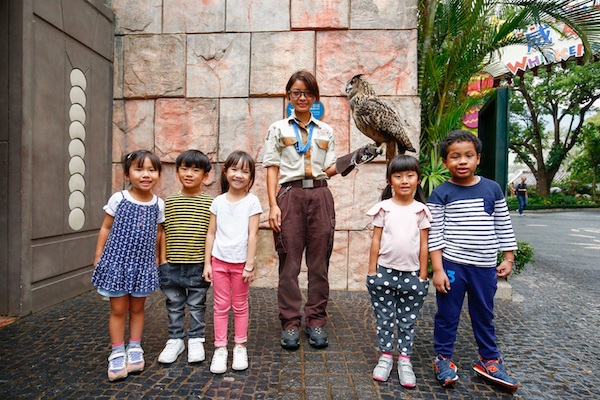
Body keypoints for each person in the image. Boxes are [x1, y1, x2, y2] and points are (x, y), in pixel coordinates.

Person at [263, 70, 377, 350]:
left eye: (307, 93)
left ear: (315, 97)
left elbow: (327, 169)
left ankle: (315, 320)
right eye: (295, 92)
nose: (301, 97)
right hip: (289, 196)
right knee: (288, 263)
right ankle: (290, 322)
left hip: (320, 195)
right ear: (288, 96)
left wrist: (353, 159)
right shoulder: (278, 129)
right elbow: (272, 168)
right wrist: (272, 205)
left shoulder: (326, 130)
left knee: (319, 263)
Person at [427, 130, 519, 392]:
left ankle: (489, 360)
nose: (462, 161)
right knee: (447, 315)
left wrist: (509, 257)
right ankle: (443, 359)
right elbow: (435, 234)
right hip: (453, 266)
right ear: (445, 162)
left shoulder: (493, 189)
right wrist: (438, 269)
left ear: (478, 158)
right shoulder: (441, 193)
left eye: (468, 155)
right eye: (455, 157)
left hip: (484, 267)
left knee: (484, 315)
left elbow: (503, 223)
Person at [91, 150, 164, 381]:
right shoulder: (119, 199)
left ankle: (134, 347)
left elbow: (160, 233)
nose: (146, 175)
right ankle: (116, 352)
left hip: (143, 265)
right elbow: (106, 227)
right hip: (117, 262)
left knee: (138, 308)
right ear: (127, 173)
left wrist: (159, 259)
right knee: (118, 309)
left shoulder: (158, 204)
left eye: (152, 170)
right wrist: (99, 255)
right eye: (139, 169)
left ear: (158, 175)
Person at [366, 155, 432, 387]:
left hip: (413, 275)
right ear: (389, 181)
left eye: (410, 175)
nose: (404, 180)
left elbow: (424, 244)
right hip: (384, 273)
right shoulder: (383, 208)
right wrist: (372, 272)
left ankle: (405, 360)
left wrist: (423, 276)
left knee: (407, 321)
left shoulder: (421, 211)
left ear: (418, 180)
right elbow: (376, 240)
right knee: (384, 319)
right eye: (398, 176)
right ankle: (385, 357)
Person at [203, 150, 262, 374]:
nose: (239, 175)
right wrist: (208, 263)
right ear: (226, 172)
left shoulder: (252, 202)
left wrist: (249, 265)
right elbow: (211, 233)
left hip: (240, 265)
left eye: (245, 171)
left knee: (240, 305)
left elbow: (253, 235)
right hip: (219, 261)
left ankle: (239, 345)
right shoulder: (217, 201)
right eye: (234, 169)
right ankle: (220, 348)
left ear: (251, 176)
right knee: (220, 305)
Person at [157, 150, 213, 364]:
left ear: (206, 175)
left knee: (198, 304)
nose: (189, 174)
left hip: (198, 264)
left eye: (196, 170)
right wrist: (161, 260)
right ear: (177, 171)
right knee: (174, 303)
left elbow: (212, 234)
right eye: (185, 168)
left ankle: (196, 339)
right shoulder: (168, 202)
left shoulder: (211, 203)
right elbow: (163, 232)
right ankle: (175, 339)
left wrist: (209, 263)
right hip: (171, 264)